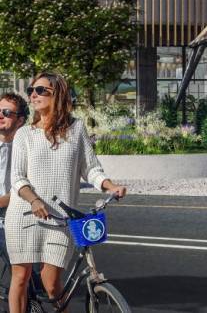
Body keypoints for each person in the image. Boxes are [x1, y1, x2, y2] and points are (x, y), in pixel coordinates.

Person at [5, 73, 126, 313]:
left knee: (52, 284)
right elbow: (17, 178)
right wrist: (34, 200)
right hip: (24, 216)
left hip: (59, 219)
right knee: (21, 276)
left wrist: (110, 186)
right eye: (31, 90)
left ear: (57, 93)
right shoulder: (24, 134)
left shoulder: (76, 129)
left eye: (40, 90)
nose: (33, 95)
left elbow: (90, 168)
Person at [0, 93, 28, 242]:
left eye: (6, 112)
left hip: (18, 222)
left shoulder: (29, 150)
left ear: (20, 120)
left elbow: (28, 188)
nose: (0, 115)